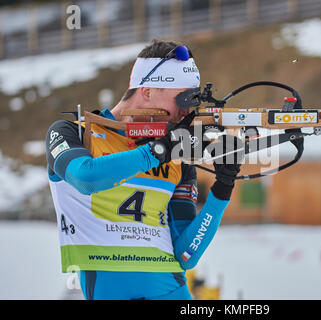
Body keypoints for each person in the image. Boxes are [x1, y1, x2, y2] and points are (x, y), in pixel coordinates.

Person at [45, 39, 241, 300]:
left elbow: (186, 255)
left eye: (192, 102)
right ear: (147, 91)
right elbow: (86, 177)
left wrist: (223, 188)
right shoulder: (74, 133)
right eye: (181, 99)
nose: (185, 111)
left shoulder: (177, 160)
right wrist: (159, 151)